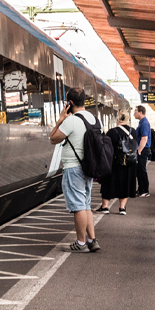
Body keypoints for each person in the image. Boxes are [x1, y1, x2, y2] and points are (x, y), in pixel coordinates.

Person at [49, 88, 101, 253]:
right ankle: (92, 240)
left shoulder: (71, 121)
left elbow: (53, 138)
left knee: (79, 206)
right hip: (88, 167)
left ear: (69, 103)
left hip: (74, 167)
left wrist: (60, 120)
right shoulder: (94, 119)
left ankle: (80, 243)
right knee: (85, 204)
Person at [96, 111, 137, 214]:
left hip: (114, 163)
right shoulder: (133, 131)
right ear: (127, 118)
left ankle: (105, 207)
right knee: (125, 184)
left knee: (108, 184)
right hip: (129, 163)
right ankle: (122, 208)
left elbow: (106, 148)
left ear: (117, 118)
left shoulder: (112, 132)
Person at [134, 105, 152, 197]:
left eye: (135, 111)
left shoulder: (144, 123)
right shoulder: (142, 122)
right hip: (142, 149)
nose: (134, 113)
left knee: (142, 170)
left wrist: (139, 151)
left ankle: (145, 190)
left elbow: (144, 138)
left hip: (143, 149)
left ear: (140, 112)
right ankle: (141, 189)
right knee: (139, 170)